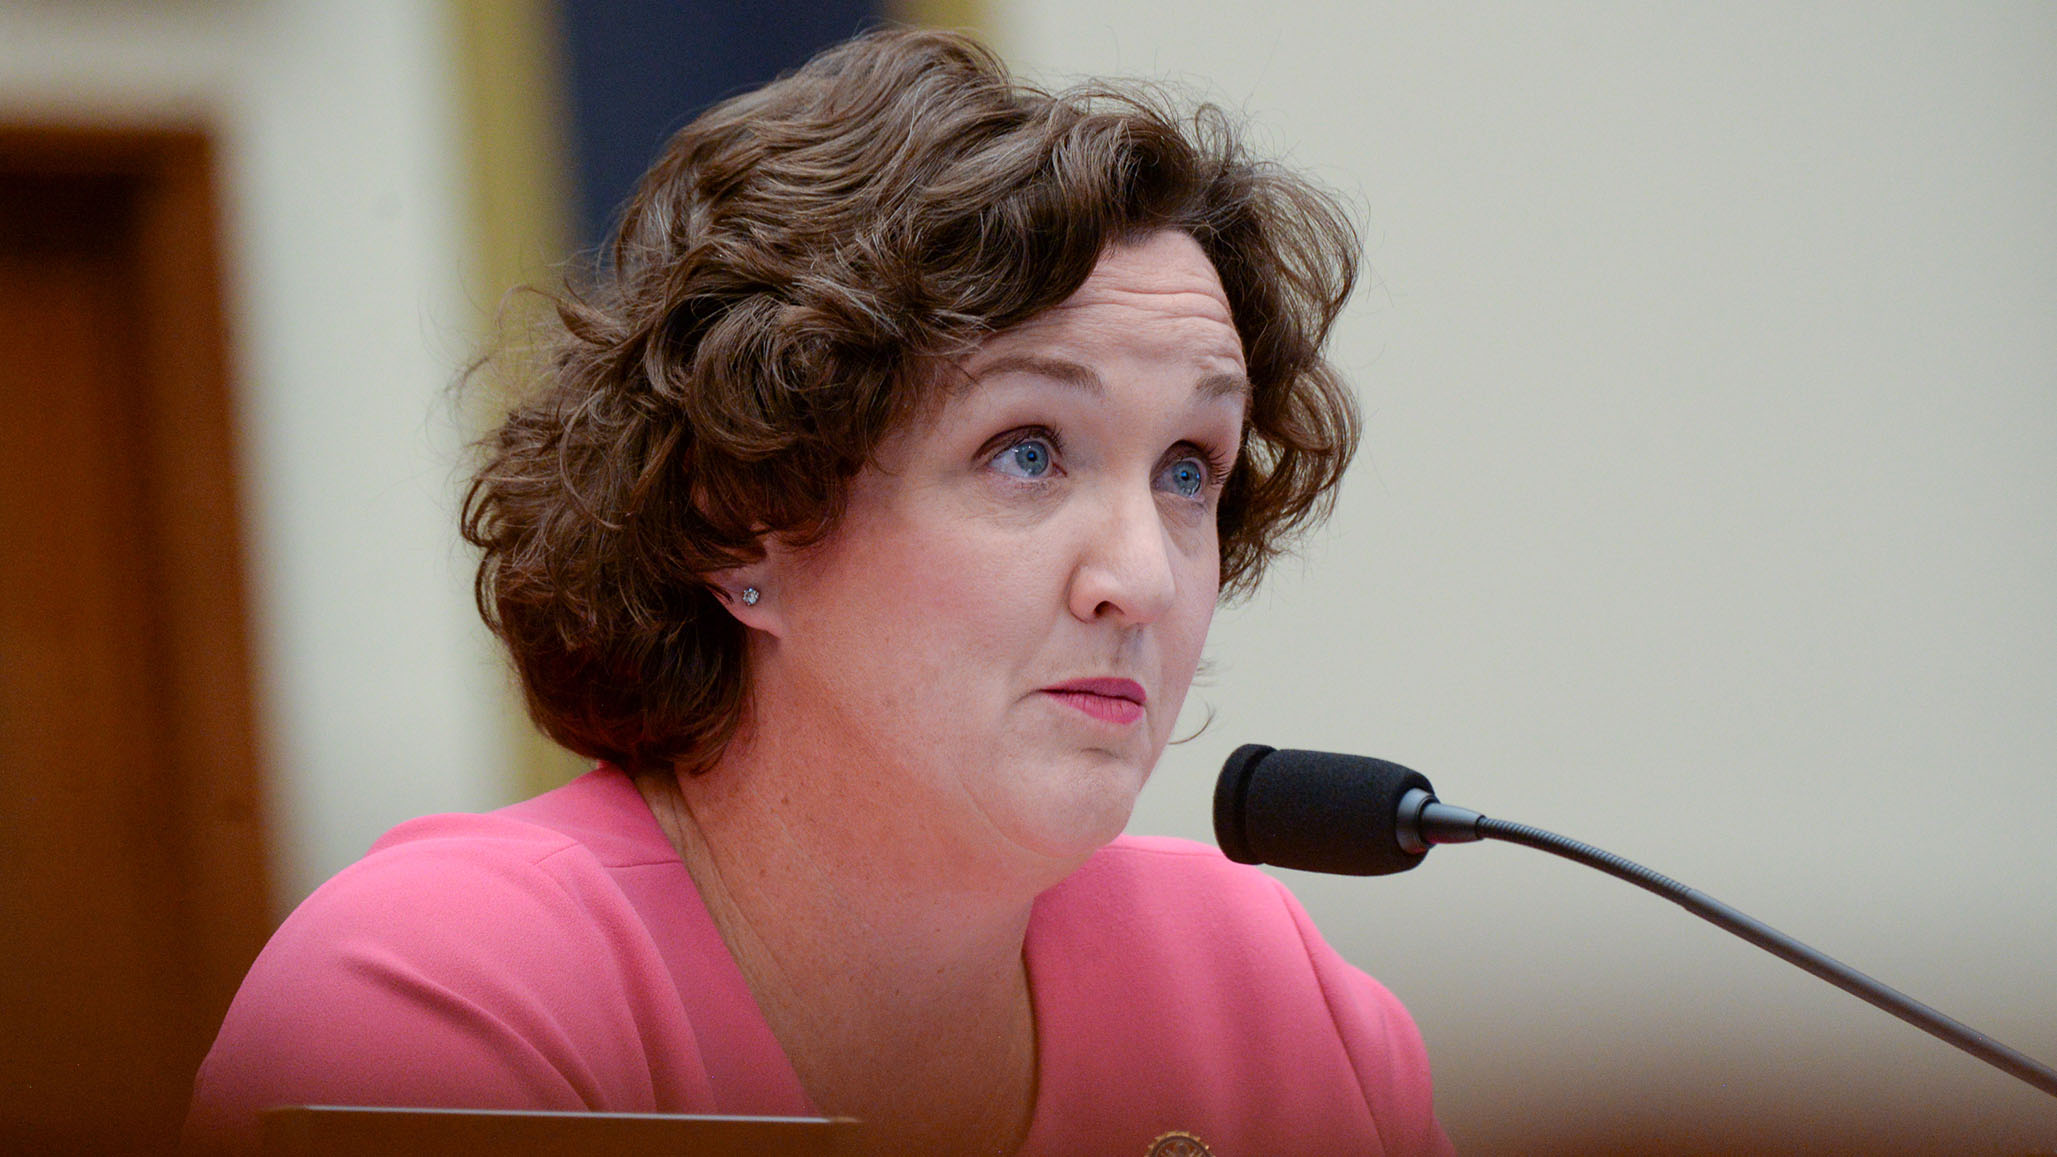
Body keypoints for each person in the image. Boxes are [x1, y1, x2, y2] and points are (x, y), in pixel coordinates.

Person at [185, 28, 1453, 1157]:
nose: (1141, 576)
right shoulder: (448, 995)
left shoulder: (1272, 1005)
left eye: (1187, 468)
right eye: (1026, 451)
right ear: (742, 518)